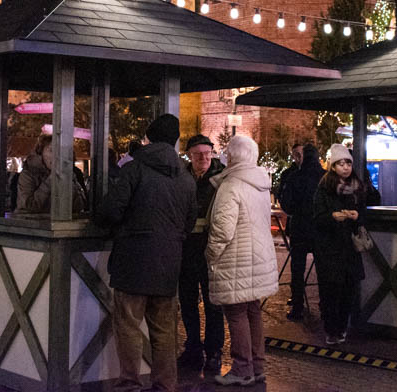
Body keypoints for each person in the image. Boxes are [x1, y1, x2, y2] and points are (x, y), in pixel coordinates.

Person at [94, 114, 196, 392]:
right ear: (175, 140)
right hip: (168, 264)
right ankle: (165, 384)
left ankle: (129, 382)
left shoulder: (134, 170)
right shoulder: (186, 178)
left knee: (128, 325)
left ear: (149, 137)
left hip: (133, 262)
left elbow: (110, 211)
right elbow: (189, 222)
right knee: (164, 330)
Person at [205, 135, 278, 386]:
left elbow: (223, 229)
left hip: (235, 259)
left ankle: (242, 368)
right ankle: (257, 366)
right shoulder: (260, 185)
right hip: (257, 258)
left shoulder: (232, 185)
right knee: (253, 311)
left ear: (232, 156)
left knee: (236, 313)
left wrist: (210, 254)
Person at [312, 144, 380, 345]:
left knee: (349, 290)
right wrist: (333, 216)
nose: (345, 168)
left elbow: (368, 208)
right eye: (340, 164)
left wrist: (358, 215)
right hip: (329, 248)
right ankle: (331, 329)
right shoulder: (324, 188)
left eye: (348, 163)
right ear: (333, 167)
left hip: (350, 248)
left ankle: (342, 327)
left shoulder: (358, 187)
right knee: (331, 291)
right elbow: (317, 218)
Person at [177, 134, 225, 375]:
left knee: (213, 302)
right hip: (186, 249)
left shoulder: (221, 178)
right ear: (189, 156)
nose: (203, 158)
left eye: (207, 154)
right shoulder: (182, 177)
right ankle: (193, 346)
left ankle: (214, 350)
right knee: (187, 301)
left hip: (211, 250)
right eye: (198, 155)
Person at [278, 143, 322, 321]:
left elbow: (286, 203)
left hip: (299, 228)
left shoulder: (295, 177)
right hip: (319, 229)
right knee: (322, 268)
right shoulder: (325, 177)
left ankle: (297, 306)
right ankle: (324, 304)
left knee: (297, 269)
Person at [15, 134, 86, 214]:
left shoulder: (72, 173)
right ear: (41, 152)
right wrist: (50, 181)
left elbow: (80, 207)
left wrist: (72, 184)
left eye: (60, 151)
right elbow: (28, 206)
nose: (56, 155)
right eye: (51, 150)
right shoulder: (29, 174)